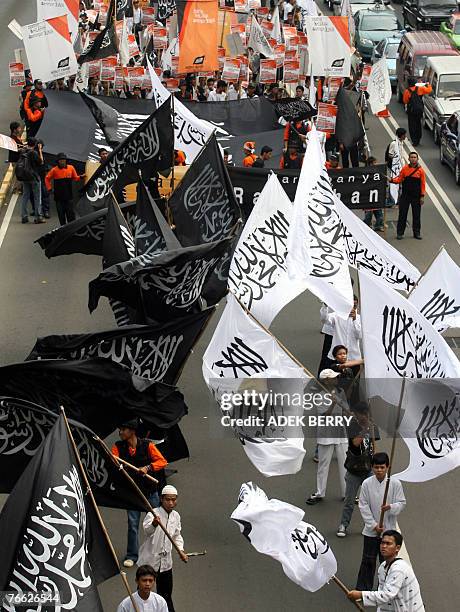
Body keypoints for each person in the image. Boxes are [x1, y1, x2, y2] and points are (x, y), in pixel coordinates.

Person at [112, 419, 168, 568]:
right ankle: (132, 555)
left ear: (132, 431)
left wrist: (148, 468)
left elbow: (162, 462)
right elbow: (112, 462)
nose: (120, 432)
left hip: (150, 492)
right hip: (133, 493)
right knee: (133, 524)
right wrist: (119, 467)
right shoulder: (117, 447)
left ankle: (158, 552)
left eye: (123, 429)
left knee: (156, 522)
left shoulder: (148, 446)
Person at [356, 453, 406, 590]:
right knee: (368, 560)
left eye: (382, 467)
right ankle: (363, 590)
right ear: (372, 468)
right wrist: (373, 525)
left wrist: (391, 507)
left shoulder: (395, 483)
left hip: (389, 531)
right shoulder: (367, 484)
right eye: (376, 467)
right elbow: (363, 505)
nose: (379, 470)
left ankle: (386, 590)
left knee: (387, 562)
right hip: (371, 532)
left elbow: (402, 503)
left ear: (388, 467)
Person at [138, 485, 188, 612]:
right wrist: (154, 524)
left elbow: (177, 535)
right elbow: (147, 531)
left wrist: (180, 550)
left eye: (173, 499)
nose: (171, 503)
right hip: (150, 562)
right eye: (168, 499)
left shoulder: (176, 516)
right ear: (161, 499)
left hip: (166, 564)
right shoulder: (153, 513)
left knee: (166, 595)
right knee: (143, 592)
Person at [348, 530, 425, 610]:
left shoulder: (399, 569)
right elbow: (383, 600)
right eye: (382, 543)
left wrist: (361, 594)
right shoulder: (382, 567)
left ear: (397, 548)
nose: (384, 546)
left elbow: (386, 595)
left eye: (388, 544)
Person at [306, 369, 349, 506]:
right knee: (323, 465)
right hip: (326, 434)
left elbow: (347, 410)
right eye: (333, 378)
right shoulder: (319, 396)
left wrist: (340, 401)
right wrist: (333, 402)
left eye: (336, 377)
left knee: (345, 465)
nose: (336, 379)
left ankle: (347, 494)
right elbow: (324, 415)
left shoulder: (340, 391)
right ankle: (319, 493)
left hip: (340, 433)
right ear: (326, 380)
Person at [336, 403, 374, 538]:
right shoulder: (352, 425)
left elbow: (373, 445)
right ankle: (343, 525)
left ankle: (369, 526)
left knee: (370, 501)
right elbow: (355, 444)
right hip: (354, 470)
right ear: (357, 414)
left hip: (368, 470)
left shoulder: (372, 426)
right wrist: (365, 430)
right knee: (349, 501)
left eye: (366, 414)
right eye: (362, 414)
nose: (364, 417)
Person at [390, 151, 426, 240]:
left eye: (415, 157)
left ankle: (416, 233)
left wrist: (422, 196)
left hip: (416, 197)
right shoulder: (405, 169)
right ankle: (400, 233)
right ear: (409, 159)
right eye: (412, 157)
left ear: (417, 159)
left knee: (416, 215)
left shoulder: (421, 171)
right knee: (402, 215)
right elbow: (399, 179)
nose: (413, 159)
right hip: (405, 196)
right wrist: (391, 180)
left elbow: (423, 184)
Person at [45, 153, 85, 225]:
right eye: (60, 160)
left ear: (66, 161)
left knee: (71, 215)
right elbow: (47, 178)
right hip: (58, 197)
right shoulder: (54, 170)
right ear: (58, 161)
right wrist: (49, 188)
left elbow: (75, 178)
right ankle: (63, 229)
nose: (62, 162)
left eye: (64, 160)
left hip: (69, 197)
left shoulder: (71, 168)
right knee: (61, 215)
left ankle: (72, 228)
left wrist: (81, 177)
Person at [17, 137, 45, 224]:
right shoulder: (34, 153)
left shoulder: (23, 151)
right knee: (37, 197)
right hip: (34, 177)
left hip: (25, 177)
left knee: (25, 196)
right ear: (35, 144)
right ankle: (38, 217)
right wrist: (40, 150)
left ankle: (24, 216)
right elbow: (41, 162)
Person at [326, 296, 362, 364]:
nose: (352, 308)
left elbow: (360, 336)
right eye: (351, 306)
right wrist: (325, 307)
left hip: (353, 358)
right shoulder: (337, 315)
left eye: (355, 306)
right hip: (337, 357)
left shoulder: (360, 319)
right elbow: (325, 319)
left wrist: (355, 320)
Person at [403, 78, 432, 146]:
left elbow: (405, 101)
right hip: (419, 110)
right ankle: (418, 138)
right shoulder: (420, 88)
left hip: (411, 111)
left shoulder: (407, 91)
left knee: (412, 125)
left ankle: (414, 140)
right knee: (418, 124)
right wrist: (428, 85)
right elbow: (429, 90)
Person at [386, 128, 407, 206]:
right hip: (394, 167)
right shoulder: (394, 144)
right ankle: (391, 199)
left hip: (401, 166)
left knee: (400, 183)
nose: (405, 136)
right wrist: (396, 159)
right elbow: (390, 154)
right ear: (401, 135)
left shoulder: (401, 143)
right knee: (393, 183)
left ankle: (398, 199)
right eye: (404, 135)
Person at [363, 156, 384, 232]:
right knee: (368, 213)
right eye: (375, 162)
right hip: (368, 196)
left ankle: (379, 225)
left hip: (377, 195)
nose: (376, 164)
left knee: (379, 213)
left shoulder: (378, 171)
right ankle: (366, 225)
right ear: (371, 164)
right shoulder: (364, 172)